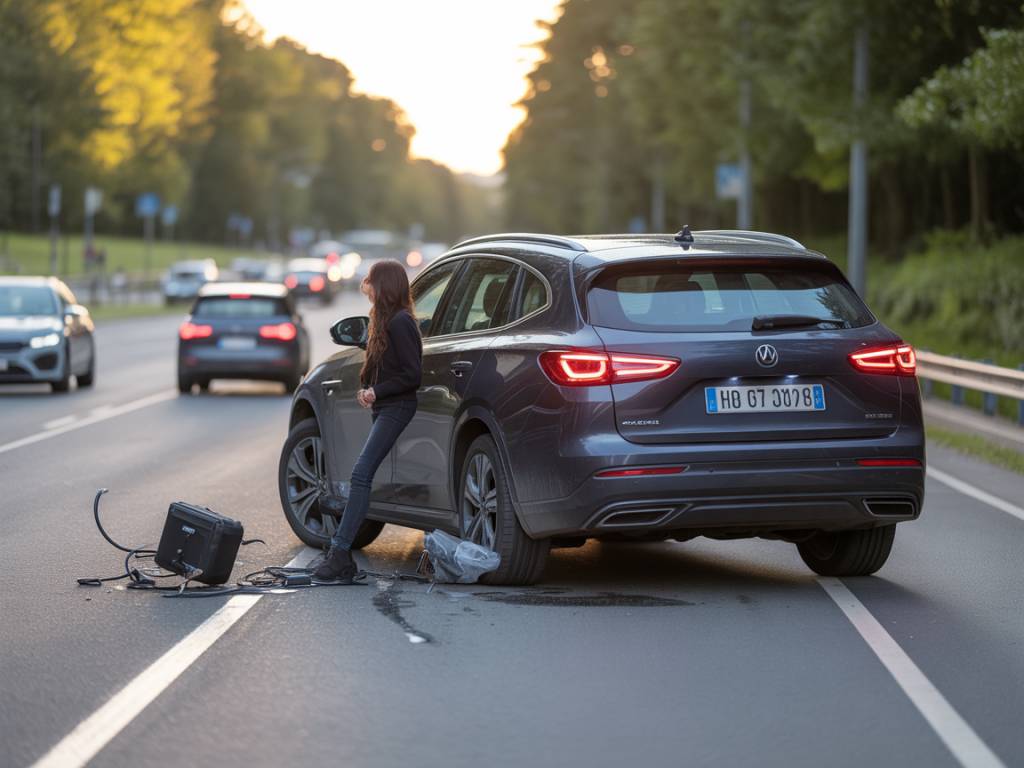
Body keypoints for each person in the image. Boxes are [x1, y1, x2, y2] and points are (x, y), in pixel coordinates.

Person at [313, 260, 422, 583]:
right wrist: (368, 389)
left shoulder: (401, 322)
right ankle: (340, 555)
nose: (366, 288)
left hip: (398, 406)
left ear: (384, 286)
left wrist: (378, 391)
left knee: (361, 475)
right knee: (362, 474)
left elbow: (412, 375)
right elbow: (385, 368)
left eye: (371, 282)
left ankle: (340, 553)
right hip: (386, 405)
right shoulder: (383, 319)